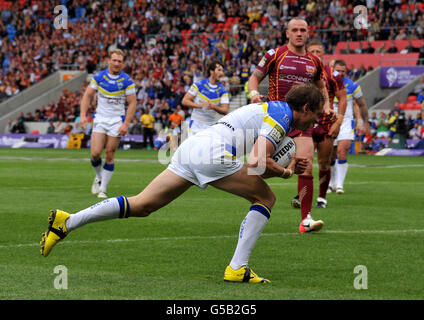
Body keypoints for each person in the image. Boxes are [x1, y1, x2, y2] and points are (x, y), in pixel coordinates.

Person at [40, 83, 323, 284]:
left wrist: (280, 165)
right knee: (266, 199)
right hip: (213, 153)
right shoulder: (281, 117)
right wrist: (286, 173)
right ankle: (238, 268)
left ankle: (68, 222)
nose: (315, 121)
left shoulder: (273, 110)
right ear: (306, 107)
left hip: (191, 147)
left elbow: (256, 167)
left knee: (142, 205)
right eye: (316, 114)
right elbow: (257, 163)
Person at [247, 17, 335, 233]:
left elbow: (321, 87)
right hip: (275, 119)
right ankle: (256, 204)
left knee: (305, 164)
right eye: (294, 30)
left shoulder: (314, 61)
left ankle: (306, 219)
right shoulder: (274, 55)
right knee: (258, 167)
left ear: (308, 33)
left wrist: (327, 107)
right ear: (287, 33)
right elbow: (254, 78)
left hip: (302, 121)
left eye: (303, 30)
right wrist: (254, 94)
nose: (299, 33)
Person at [79, 49, 137, 199]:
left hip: (116, 120)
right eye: (114, 60)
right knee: (95, 153)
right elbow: (87, 96)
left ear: (122, 63)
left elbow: (132, 103)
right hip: (100, 118)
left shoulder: (127, 80)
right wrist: (82, 116)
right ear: (108, 61)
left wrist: (126, 124)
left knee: (110, 154)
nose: (117, 63)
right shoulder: (99, 77)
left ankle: (103, 189)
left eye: (119, 61)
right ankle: (98, 177)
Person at [306, 41, 347, 209]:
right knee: (305, 164)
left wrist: (338, 122)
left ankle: (322, 197)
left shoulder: (332, 74)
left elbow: (343, 98)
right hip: (305, 124)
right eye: (312, 51)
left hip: (325, 125)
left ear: (324, 54)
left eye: (318, 51)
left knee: (324, 162)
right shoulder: (301, 73)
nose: (316, 53)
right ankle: (304, 194)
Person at [328, 59, 369, 194]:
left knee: (342, 151)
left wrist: (364, 121)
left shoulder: (352, 86)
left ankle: (339, 185)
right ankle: (331, 183)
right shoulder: (326, 83)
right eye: (337, 71)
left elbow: (361, 104)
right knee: (331, 155)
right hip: (330, 121)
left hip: (346, 122)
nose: (340, 73)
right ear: (333, 69)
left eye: (343, 71)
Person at [182, 60, 229, 136]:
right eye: (219, 70)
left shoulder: (223, 91)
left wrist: (214, 107)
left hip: (210, 126)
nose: (222, 73)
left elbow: (225, 110)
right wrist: (200, 106)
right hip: (195, 124)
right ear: (211, 71)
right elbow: (184, 101)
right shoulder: (198, 84)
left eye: (222, 71)